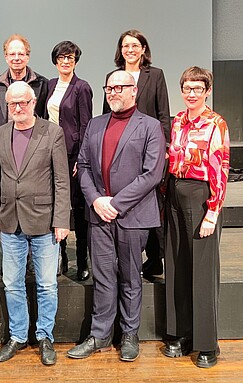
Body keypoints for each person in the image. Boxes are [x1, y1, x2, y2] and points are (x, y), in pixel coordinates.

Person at [67, 71, 165, 362]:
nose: (113, 92)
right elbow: (82, 166)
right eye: (109, 88)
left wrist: (116, 204)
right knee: (104, 276)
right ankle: (99, 335)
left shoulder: (150, 126)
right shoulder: (96, 125)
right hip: (99, 215)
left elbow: (152, 174)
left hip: (133, 215)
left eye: (119, 87)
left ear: (133, 91)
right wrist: (97, 200)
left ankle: (130, 335)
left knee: (131, 277)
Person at [0, 81, 70, 366]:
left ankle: (45, 336)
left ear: (33, 102)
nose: (18, 108)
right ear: (7, 106)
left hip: (45, 222)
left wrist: (62, 219)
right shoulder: (0, 134)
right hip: (10, 220)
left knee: (47, 284)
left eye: (23, 102)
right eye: (12, 104)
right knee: (12, 284)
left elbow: (61, 180)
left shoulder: (52, 132)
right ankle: (18, 336)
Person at [163, 67, 230, 368]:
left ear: (207, 91)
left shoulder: (216, 124)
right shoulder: (177, 121)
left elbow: (221, 170)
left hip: (201, 196)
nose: (191, 94)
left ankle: (206, 344)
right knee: (177, 265)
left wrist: (212, 212)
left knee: (202, 272)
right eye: (187, 88)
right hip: (175, 193)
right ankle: (180, 333)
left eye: (197, 89)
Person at [103, 30, 171, 279]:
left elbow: (163, 113)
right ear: (120, 50)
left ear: (143, 48)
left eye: (135, 45)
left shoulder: (156, 75)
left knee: (150, 203)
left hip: (150, 147)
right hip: (122, 150)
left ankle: (154, 260)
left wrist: (164, 147)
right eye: (125, 46)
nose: (129, 50)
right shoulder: (112, 77)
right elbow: (105, 117)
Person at [45, 40, 93, 281]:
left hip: (73, 155)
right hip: (51, 154)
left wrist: (81, 159)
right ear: (55, 61)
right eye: (62, 57)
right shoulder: (50, 85)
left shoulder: (82, 87)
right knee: (57, 207)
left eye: (70, 58)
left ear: (75, 61)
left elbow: (86, 124)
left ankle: (83, 260)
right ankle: (61, 256)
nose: (65, 61)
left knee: (78, 208)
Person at [0, 34, 48, 135]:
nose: (16, 58)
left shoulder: (42, 84)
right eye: (12, 54)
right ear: (6, 57)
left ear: (27, 57)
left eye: (21, 54)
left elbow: (46, 119)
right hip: (3, 145)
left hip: (34, 143)